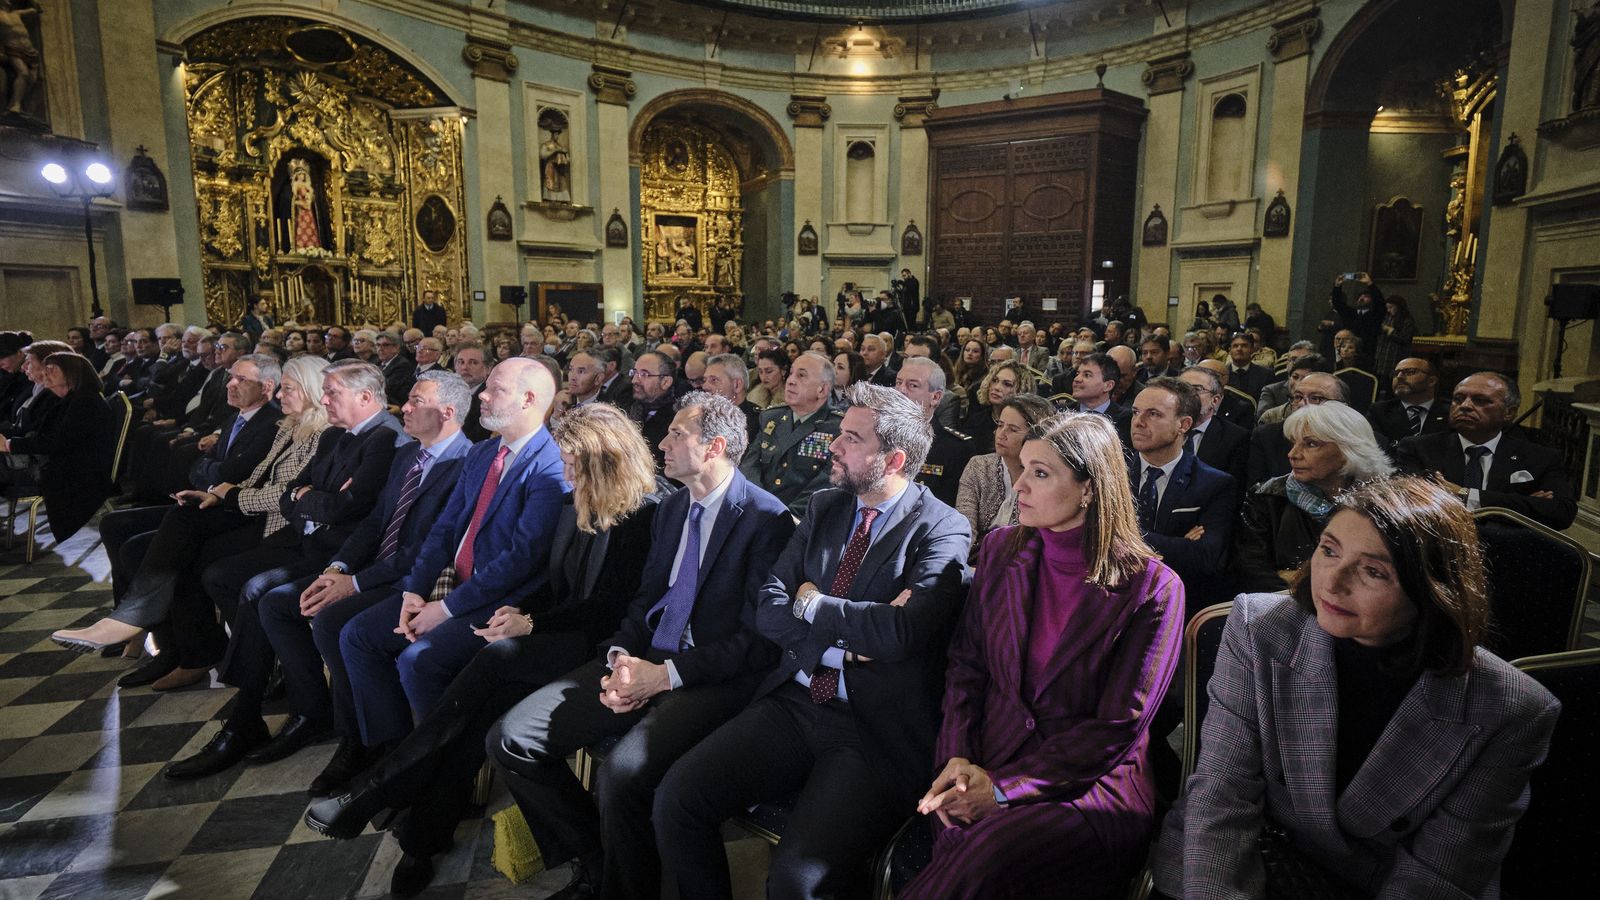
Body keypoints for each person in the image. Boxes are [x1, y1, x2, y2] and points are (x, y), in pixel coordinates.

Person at [305, 402, 672, 896]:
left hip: (601, 645)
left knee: (491, 666)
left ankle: (380, 794)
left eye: (572, 463)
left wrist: (531, 620)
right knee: (470, 723)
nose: (564, 472)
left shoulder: (645, 513)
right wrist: (517, 614)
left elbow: (610, 606)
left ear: (604, 461)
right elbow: (557, 583)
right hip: (561, 632)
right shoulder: (578, 499)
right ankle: (420, 837)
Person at [1152, 477, 1560, 900]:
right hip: (1248, 853)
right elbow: (1223, 793)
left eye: (1373, 571)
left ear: (1434, 590)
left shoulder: (1512, 707)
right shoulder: (1261, 627)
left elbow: (1440, 874)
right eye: (1329, 550)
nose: (1332, 582)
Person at [654, 383, 972, 900]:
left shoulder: (941, 528)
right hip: (796, 698)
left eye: (850, 438)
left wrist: (813, 604)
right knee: (677, 799)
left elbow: (901, 633)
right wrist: (843, 638)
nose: (833, 445)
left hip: (870, 727)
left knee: (795, 879)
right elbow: (769, 606)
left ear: (893, 458)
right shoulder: (826, 507)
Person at [477, 393, 794, 900]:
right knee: (511, 739)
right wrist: (620, 657)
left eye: (677, 434)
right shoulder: (671, 510)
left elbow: (758, 643)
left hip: (710, 676)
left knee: (621, 776)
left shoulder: (765, 519)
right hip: (646, 656)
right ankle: (598, 862)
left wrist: (664, 676)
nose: (662, 443)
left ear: (714, 446)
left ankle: (625, 889)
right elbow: (646, 600)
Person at [899, 410, 1184, 899]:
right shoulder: (1003, 548)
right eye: (1024, 468)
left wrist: (1004, 787)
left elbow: (1117, 728)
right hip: (985, 759)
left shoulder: (1153, 588)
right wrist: (957, 763)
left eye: (1040, 473)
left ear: (1091, 488)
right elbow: (967, 669)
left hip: (1089, 788)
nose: (1020, 486)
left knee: (984, 851)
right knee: (960, 836)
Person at [162, 361, 408, 779]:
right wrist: (314, 498)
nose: (324, 400)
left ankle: (260, 715)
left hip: (346, 552)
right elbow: (296, 496)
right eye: (324, 392)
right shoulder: (333, 435)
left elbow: (351, 508)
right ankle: (271, 705)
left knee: (262, 593)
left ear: (366, 398)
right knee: (231, 577)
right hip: (311, 539)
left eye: (332, 393)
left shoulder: (386, 439)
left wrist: (312, 498)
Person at [338, 358, 567, 751]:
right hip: (449, 581)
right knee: (357, 635)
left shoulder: (550, 464)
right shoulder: (482, 453)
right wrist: (415, 590)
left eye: (496, 389)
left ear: (529, 399)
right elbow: (444, 530)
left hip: (497, 600)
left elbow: (521, 558)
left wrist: (444, 610)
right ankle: (389, 751)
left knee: (419, 660)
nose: (482, 395)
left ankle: (443, 767)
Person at [50, 356, 334, 666]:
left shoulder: (318, 433)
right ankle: (164, 642)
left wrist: (230, 494)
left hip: (278, 527)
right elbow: (228, 471)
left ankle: (146, 628)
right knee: (160, 527)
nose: (280, 395)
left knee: (182, 534)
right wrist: (216, 493)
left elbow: (279, 492)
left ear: (310, 390)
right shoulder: (290, 425)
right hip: (250, 508)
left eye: (287, 388)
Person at [1236, 402, 1394, 593]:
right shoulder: (1266, 497)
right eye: (1293, 443)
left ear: (1349, 450)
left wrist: (1296, 576)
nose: (1292, 454)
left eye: (1311, 444)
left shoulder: (1384, 503)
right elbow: (1253, 571)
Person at [1396, 371, 1576, 529]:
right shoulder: (1418, 448)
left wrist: (1464, 494)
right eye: (1458, 399)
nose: (1465, 405)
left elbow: (1561, 512)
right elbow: (1412, 505)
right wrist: (1523, 504)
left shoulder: (1539, 457)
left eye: (1480, 401)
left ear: (1509, 413)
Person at [1128, 377, 1239, 612]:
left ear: (1184, 424)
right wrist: (1178, 544)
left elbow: (1205, 559)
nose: (1138, 422)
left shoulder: (1214, 484)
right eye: (1136, 412)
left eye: (1154, 414)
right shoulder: (1108, 474)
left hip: (1177, 605)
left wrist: (1122, 535)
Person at [0, 351, 114, 544]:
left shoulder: (84, 401)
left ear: (71, 373)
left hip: (73, 472)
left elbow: (56, 443)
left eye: (51, 369)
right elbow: (45, 434)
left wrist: (10, 444)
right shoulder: (69, 400)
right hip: (57, 463)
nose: (45, 373)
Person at [740, 351, 843, 518]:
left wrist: (784, 516)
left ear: (822, 390)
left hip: (800, 519)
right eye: (791, 373)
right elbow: (749, 465)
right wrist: (759, 505)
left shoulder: (837, 429)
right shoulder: (771, 417)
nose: (790, 380)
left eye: (801, 375)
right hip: (757, 512)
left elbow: (827, 482)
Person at [955, 394, 1054, 547]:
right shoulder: (979, 466)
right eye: (1000, 425)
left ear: (1036, 436)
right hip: (976, 557)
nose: (1001, 434)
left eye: (1013, 430)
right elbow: (964, 526)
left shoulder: (1046, 477)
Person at [896, 356, 974, 508]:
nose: (901, 390)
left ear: (935, 397)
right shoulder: (874, 436)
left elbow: (952, 509)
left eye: (912, 385)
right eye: (898, 382)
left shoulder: (955, 449)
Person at [1177, 365, 1249, 493]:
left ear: (1215, 400)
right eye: (1181, 389)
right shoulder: (1159, 429)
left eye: (1196, 389)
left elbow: (1233, 491)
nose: (1186, 395)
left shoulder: (1235, 438)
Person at [1367, 356, 1446, 452]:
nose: (1399, 377)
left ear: (1431, 381)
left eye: (1410, 372)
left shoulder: (1449, 414)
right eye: (1395, 373)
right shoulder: (1379, 411)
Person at [961, 359, 1034, 454]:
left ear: (1022, 390)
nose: (996, 387)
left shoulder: (1028, 427)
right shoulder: (974, 421)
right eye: (994, 380)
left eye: (1007, 384)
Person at [628, 350, 680, 469]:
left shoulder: (676, 419)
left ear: (665, 382)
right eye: (634, 373)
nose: (634, 380)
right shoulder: (628, 406)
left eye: (644, 374)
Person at [375, 332, 417, 408]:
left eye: (385, 345)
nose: (380, 349)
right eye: (378, 345)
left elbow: (387, 388)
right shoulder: (377, 363)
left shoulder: (402, 365)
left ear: (396, 348)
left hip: (395, 407)